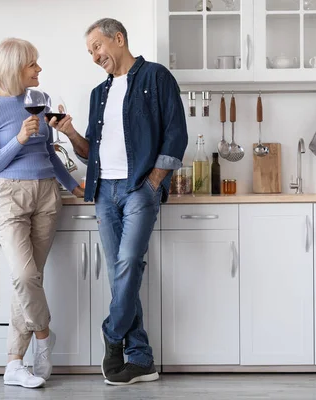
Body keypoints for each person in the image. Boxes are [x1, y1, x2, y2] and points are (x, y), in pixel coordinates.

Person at [47, 18, 188, 385]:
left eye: (97, 47)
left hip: (139, 187)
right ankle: (140, 358)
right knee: (119, 273)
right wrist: (70, 132)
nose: (95, 56)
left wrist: (153, 183)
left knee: (127, 262)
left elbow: (175, 134)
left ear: (119, 39)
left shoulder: (157, 77)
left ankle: (112, 333)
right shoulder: (99, 94)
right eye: (90, 51)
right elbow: (89, 151)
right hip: (103, 192)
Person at [0, 37, 84, 389]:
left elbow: (50, 154)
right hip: (8, 196)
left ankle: (13, 363)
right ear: (14, 68)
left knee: (29, 279)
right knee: (24, 276)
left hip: (47, 195)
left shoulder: (40, 100)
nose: (39, 69)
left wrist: (72, 185)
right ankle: (42, 336)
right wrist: (19, 139)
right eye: (33, 64)